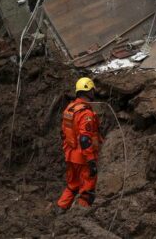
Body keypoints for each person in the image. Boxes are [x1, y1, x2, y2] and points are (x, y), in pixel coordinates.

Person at [56, 77, 102, 213]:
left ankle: (61, 209)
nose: (94, 93)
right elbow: (85, 139)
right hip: (83, 158)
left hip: (70, 155)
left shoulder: (70, 109)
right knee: (87, 189)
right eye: (92, 90)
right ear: (88, 90)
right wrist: (91, 160)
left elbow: (63, 133)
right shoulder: (86, 113)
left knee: (72, 185)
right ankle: (80, 217)